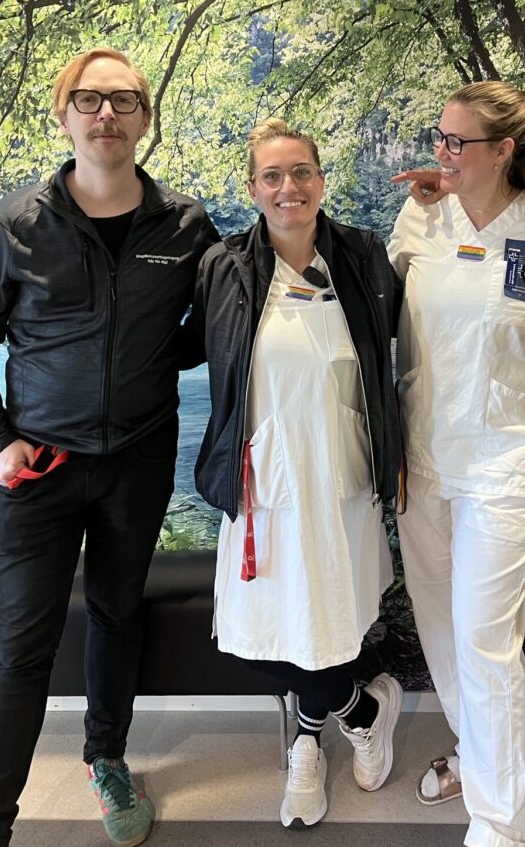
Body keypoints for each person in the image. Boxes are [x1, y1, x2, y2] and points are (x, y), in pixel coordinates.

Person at [0, 47, 219, 847]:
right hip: (40, 470)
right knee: (20, 651)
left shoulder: (184, 224)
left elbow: (210, 323)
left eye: (124, 100)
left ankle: (107, 758)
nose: (107, 114)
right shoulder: (15, 223)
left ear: (145, 118)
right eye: (90, 99)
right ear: (64, 115)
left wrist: (152, 357)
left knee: (116, 614)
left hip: (138, 459)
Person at [188, 118, 404, 829]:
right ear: (253, 189)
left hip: (341, 475)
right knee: (255, 636)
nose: (289, 187)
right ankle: (364, 710)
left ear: (321, 180)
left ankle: (307, 744)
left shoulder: (363, 257)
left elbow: (402, 345)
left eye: (301, 172)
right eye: (273, 176)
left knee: (328, 622)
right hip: (262, 480)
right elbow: (180, 348)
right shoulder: (224, 267)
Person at [388, 81, 525, 847]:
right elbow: (378, 311)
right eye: (438, 136)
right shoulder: (421, 215)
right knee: (440, 628)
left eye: (456, 141)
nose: (441, 152)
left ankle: (499, 823)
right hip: (424, 459)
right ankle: (477, 754)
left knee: (484, 640)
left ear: (503, 149)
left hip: (507, 464)